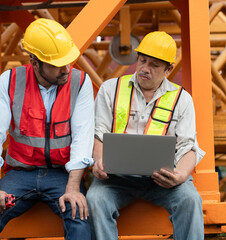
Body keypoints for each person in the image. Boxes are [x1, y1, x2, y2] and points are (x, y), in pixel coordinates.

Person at [0, 18, 94, 240]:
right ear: (34, 62)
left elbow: (82, 138)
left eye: (68, 61)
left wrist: (74, 187)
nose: (66, 69)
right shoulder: (9, 81)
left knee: (79, 215)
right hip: (20, 174)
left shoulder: (80, 82)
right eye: (57, 64)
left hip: (62, 175)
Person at [86, 31, 206, 240]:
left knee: (190, 200)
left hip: (163, 180)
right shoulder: (110, 89)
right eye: (142, 61)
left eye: (154, 65)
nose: (145, 69)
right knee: (95, 199)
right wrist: (99, 161)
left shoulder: (182, 99)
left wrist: (180, 175)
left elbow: (189, 146)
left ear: (168, 69)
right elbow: (99, 135)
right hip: (116, 179)